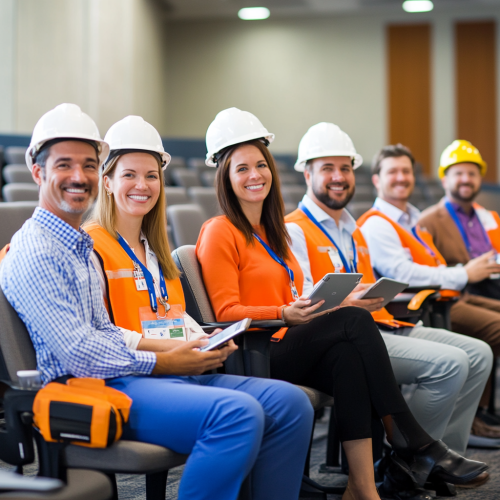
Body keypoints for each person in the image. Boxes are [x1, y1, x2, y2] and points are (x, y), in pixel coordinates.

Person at [0, 104, 315, 500]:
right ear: (37, 172)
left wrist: (173, 347)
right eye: (64, 165)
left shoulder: (75, 243)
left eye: (87, 165)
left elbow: (107, 330)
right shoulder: (38, 250)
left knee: (290, 404)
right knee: (236, 415)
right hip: (89, 389)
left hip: (127, 372)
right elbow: (79, 353)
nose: (79, 176)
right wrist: (164, 360)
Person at [196, 107, 487, 500]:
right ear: (225, 178)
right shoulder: (219, 231)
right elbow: (224, 314)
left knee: (351, 359)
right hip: (259, 349)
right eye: (242, 168)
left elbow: (291, 294)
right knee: (353, 322)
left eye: (261, 165)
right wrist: (284, 313)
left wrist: (313, 304)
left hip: (289, 335)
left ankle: (362, 489)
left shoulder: (273, 231)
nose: (255, 175)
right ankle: (411, 439)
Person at [284, 122, 494, 472]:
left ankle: (441, 462)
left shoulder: (352, 229)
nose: (339, 176)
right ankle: (409, 466)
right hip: (346, 338)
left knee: (479, 353)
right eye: (328, 168)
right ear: (307, 174)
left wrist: (369, 295)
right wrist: (351, 302)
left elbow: (361, 284)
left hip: (381, 323)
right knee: (450, 364)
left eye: (346, 168)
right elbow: (298, 299)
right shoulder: (294, 228)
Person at [358, 143, 500, 427]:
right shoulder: (377, 224)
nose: (401, 177)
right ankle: (460, 423)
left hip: (448, 297)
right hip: (417, 308)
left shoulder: (412, 219)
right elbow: (402, 273)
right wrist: (463, 274)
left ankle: (469, 420)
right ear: (376, 180)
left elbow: (430, 266)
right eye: (393, 171)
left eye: (407, 171)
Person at [419, 140, 500, 300]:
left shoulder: (490, 216)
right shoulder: (427, 221)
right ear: (444, 181)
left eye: (472, 174)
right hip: (462, 295)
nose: (466, 179)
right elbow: (427, 272)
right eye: (459, 173)